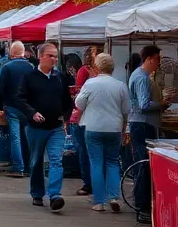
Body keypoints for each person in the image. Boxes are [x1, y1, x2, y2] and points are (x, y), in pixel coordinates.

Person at [11, 43, 73, 212]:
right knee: (36, 161)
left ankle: (55, 195)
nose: (54, 59)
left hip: (56, 127)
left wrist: (65, 117)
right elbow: (20, 98)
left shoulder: (59, 77)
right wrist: (32, 113)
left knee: (56, 160)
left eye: (55, 56)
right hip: (36, 127)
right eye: (50, 56)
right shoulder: (29, 77)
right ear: (40, 57)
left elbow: (68, 102)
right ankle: (37, 193)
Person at [74, 53, 130, 213]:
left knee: (96, 163)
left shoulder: (90, 84)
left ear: (97, 67)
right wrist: (124, 129)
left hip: (93, 127)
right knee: (112, 162)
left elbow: (79, 103)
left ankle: (99, 202)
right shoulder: (120, 86)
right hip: (114, 128)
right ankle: (114, 196)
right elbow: (126, 109)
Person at [129, 45, 170, 224]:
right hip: (143, 124)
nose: (159, 63)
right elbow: (144, 104)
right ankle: (142, 206)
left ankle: (142, 204)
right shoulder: (141, 78)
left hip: (142, 124)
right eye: (158, 59)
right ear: (150, 59)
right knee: (144, 165)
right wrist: (162, 104)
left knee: (143, 164)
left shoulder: (139, 75)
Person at [0, 41, 35, 178]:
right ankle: (29, 166)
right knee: (27, 137)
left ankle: (18, 167)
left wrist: (0, 107)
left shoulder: (7, 67)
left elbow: (1, 89)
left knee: (15, 137)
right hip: (27, 108)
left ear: (11, 53)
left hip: (11, 106)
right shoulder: (31, 67)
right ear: (23, 53)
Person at [70, 47, 100, 198]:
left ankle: (95, 183)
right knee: (85, 151)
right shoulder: (84, 71)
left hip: (96, 118)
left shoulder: (102, 74)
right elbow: (79, 96)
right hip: (83, 117)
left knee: (92, 152)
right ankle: (88, 183)